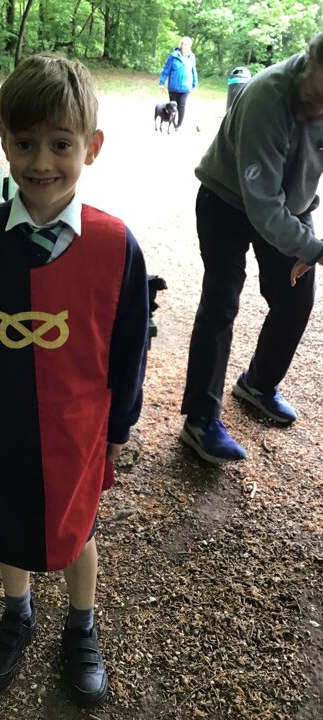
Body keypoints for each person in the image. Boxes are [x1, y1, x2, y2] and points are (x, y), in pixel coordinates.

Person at [0, 53, 149, 706]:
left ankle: (80, 624)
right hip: (0, 414)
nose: (41, 162)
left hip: (78, 422)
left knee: (77, 526)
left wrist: (121, 423)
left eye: (60, 144)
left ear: (92, 147)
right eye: (24, 143)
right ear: (5, 143)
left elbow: (129, 345)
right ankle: (18, 611)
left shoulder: (115, 245)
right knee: (9, 515)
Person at [180, 32, 323, 465]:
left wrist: (307, 243)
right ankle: (200, 419)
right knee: (221, 302)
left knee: (297, 299)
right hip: (226, 201)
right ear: (310, 60)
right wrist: (313, 248)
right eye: (319, 96)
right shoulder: (267, 95)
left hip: (290, 206)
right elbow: (263, 207)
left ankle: (257, 384)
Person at [158, 36, 198, 129]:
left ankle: (178, 125)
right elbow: (166, 70)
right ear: (181, 45)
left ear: (190, 46)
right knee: (172, 106)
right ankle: (173, 122)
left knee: (182, 105)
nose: (186, 46)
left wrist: (195, 83)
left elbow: (194, 71)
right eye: (184, 44)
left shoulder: (192, 57)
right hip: (173, 87)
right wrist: (161, 83)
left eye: (188, 45)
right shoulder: (173, 56)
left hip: (186, 87)